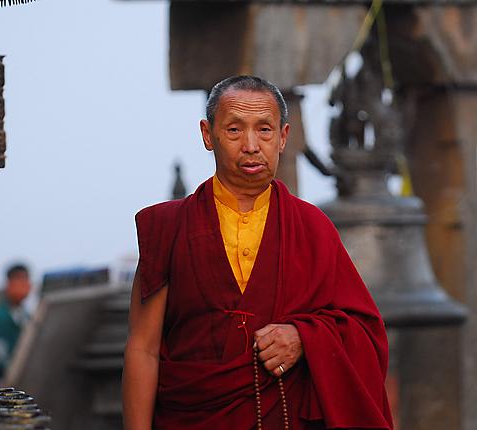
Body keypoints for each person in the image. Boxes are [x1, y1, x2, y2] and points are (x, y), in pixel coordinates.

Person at [122, 76, 393, 430]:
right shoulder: (167, 227)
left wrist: (303, 337)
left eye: (264, 130)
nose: (251, 145)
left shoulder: (312, 227)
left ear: (282, 137)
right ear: (208, 134)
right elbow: (143, 348)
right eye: (234, 130)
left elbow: (365, 333)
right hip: (189, 417)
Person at [0, 264, 32, 380]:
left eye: (25, 280)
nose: (23, 286)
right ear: (8, 284)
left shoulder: (26, 316)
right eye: (18, 280)